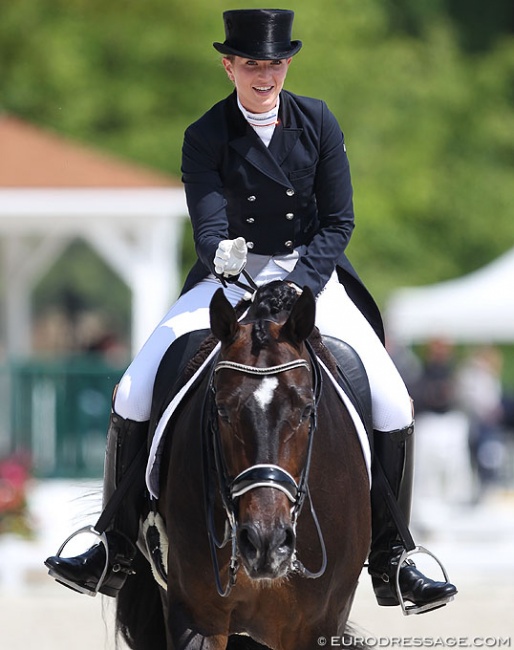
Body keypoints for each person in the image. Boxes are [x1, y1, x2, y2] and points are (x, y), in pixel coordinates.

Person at [45, 8, 457, 612]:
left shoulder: (317, 121)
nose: (265, 74)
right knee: (134, 389)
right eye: (253, 64)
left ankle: (394, 556)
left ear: (286, 64)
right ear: (229, 65)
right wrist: (230, 267)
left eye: (275, 63)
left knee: (394, 399)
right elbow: (209, 230)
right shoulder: (206, 134)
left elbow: (339, 220)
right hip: (231, 276)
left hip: (312, 275)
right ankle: (113, 543)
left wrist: (299, 286)